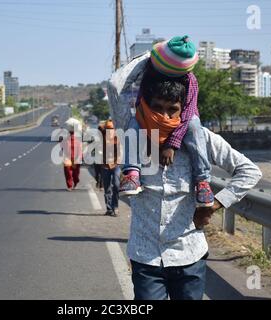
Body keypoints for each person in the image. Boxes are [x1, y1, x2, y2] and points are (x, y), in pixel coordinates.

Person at [107, 50, 262, 300]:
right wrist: (155, 57)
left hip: (189, 255)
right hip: (145, 257)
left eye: (172, 110)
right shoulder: (131, 130)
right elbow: (115, 86)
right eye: (156, 108)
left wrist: (215, 204)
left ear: (183, 111)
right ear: (144, 104)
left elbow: (250, 171)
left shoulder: (201, 138)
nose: (164, 116)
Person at [118, 36, 214, 208]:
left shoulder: (190, 81)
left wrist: (172, 143)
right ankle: (131, 173)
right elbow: (136, 97)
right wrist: (145, 59)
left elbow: (187, 113)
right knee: (134, 124)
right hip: (147, 117)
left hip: (184, 120)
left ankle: (203, 182)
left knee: (194, 125)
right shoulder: (149, 72)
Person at [101, 120, 121, 216]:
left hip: (116, 165)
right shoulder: (102, 136)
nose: (110, 131)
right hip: (105, 165)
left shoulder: (118, 137)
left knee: (116, 185)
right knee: (107, 188)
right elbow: (99, 127)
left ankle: (115, 207)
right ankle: (109, 208)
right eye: (108, 129)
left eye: (111, 129)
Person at [62, 119, 82, 191]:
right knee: (68, 172)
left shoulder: (78, 139)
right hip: (68, 158)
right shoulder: (65, 139)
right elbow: (63, 148)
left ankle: (75, 183)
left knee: (76, 173)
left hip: (76, 158)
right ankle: (69, 186)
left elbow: (80, 149)